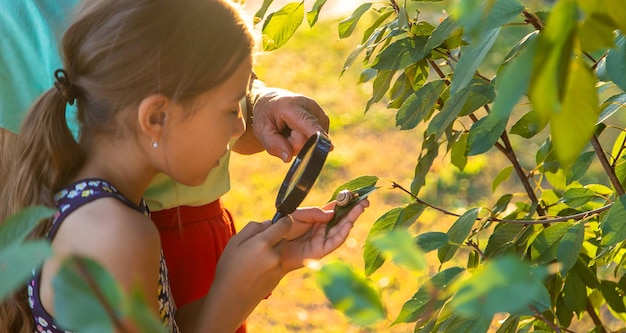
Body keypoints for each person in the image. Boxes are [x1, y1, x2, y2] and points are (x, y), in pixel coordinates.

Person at [0, 0, 368, 332]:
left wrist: (257, 273)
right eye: (230, 109)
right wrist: (229, 293)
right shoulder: (115, 236)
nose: (241, 126)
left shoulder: (103, 207)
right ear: (156, 117)